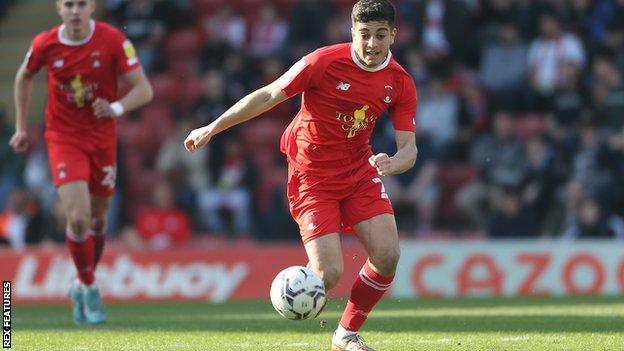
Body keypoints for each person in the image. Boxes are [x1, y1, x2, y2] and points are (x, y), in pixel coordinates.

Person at [184, 1, 417, 349]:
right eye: (364, 35)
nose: (371, 43)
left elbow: (409, 150)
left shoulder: (399, 82)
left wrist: (393, 163)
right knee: (329, 275)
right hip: (312, 175)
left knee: (387, 256)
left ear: (393, 35)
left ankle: (346, 333)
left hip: (359, 170)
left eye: (380, 35)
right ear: (352, 32)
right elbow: (267, 95)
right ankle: (300, 283)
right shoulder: (322, 62)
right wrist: (213, 128)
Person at [10, 0, 153, 325]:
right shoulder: (45, 43)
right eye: (69, 4)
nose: (75, 10)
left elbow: (145, 89)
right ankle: (89, 286)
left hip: (101, 139)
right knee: (78, 218)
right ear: (59, 9)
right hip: (63, 137)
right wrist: (20, 127)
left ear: (92, 8)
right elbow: (23, 77)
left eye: (82, 4)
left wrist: (116, 108)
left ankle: (81, 280)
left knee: (99, 222)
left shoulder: (113, 40)